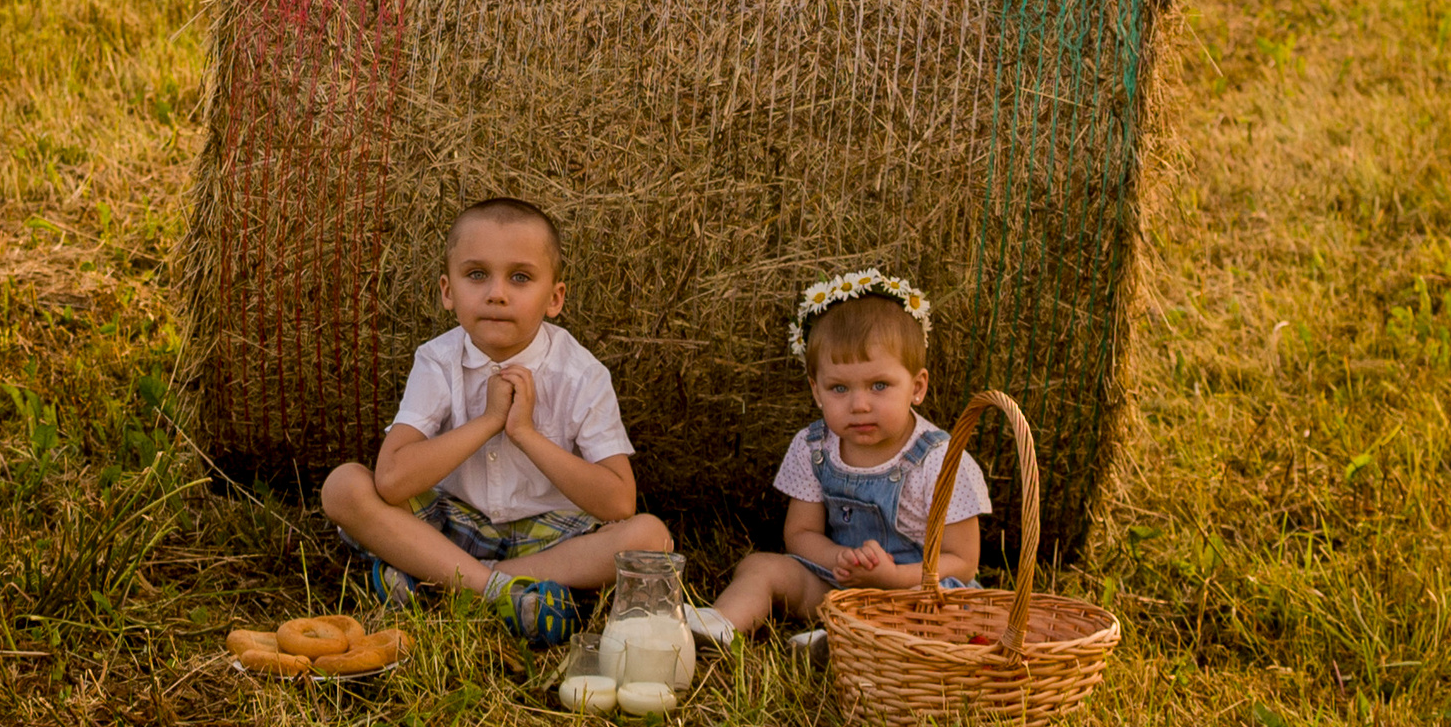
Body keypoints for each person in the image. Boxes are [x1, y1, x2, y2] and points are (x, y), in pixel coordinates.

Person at [319, 197, 672, 648]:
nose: (497, 293)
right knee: (344, 487)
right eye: (477, 274)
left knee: (650, 537)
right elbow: (391, 480)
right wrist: (487, 421)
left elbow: (619, 502)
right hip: (450, 522)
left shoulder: (582, 374)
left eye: (520, 277)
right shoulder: (437, 361)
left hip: (550, 539)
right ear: (448, 291)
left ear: (554, 298)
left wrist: (523, 433)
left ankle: (440, 579)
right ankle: (503, 595)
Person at [683, 270, 989, 647]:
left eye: (879, 385)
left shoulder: (941, 461)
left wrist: (891, 578)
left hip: (915, 594)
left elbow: (963, 559)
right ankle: (716, 627)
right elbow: (800, 534)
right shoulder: (814, 447)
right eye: (839, 388)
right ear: (816, 390)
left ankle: (845, 640)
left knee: (953, 609)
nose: (859, 404)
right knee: (761, 567)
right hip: (839, 583)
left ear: (918, 387)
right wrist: (845, 560)